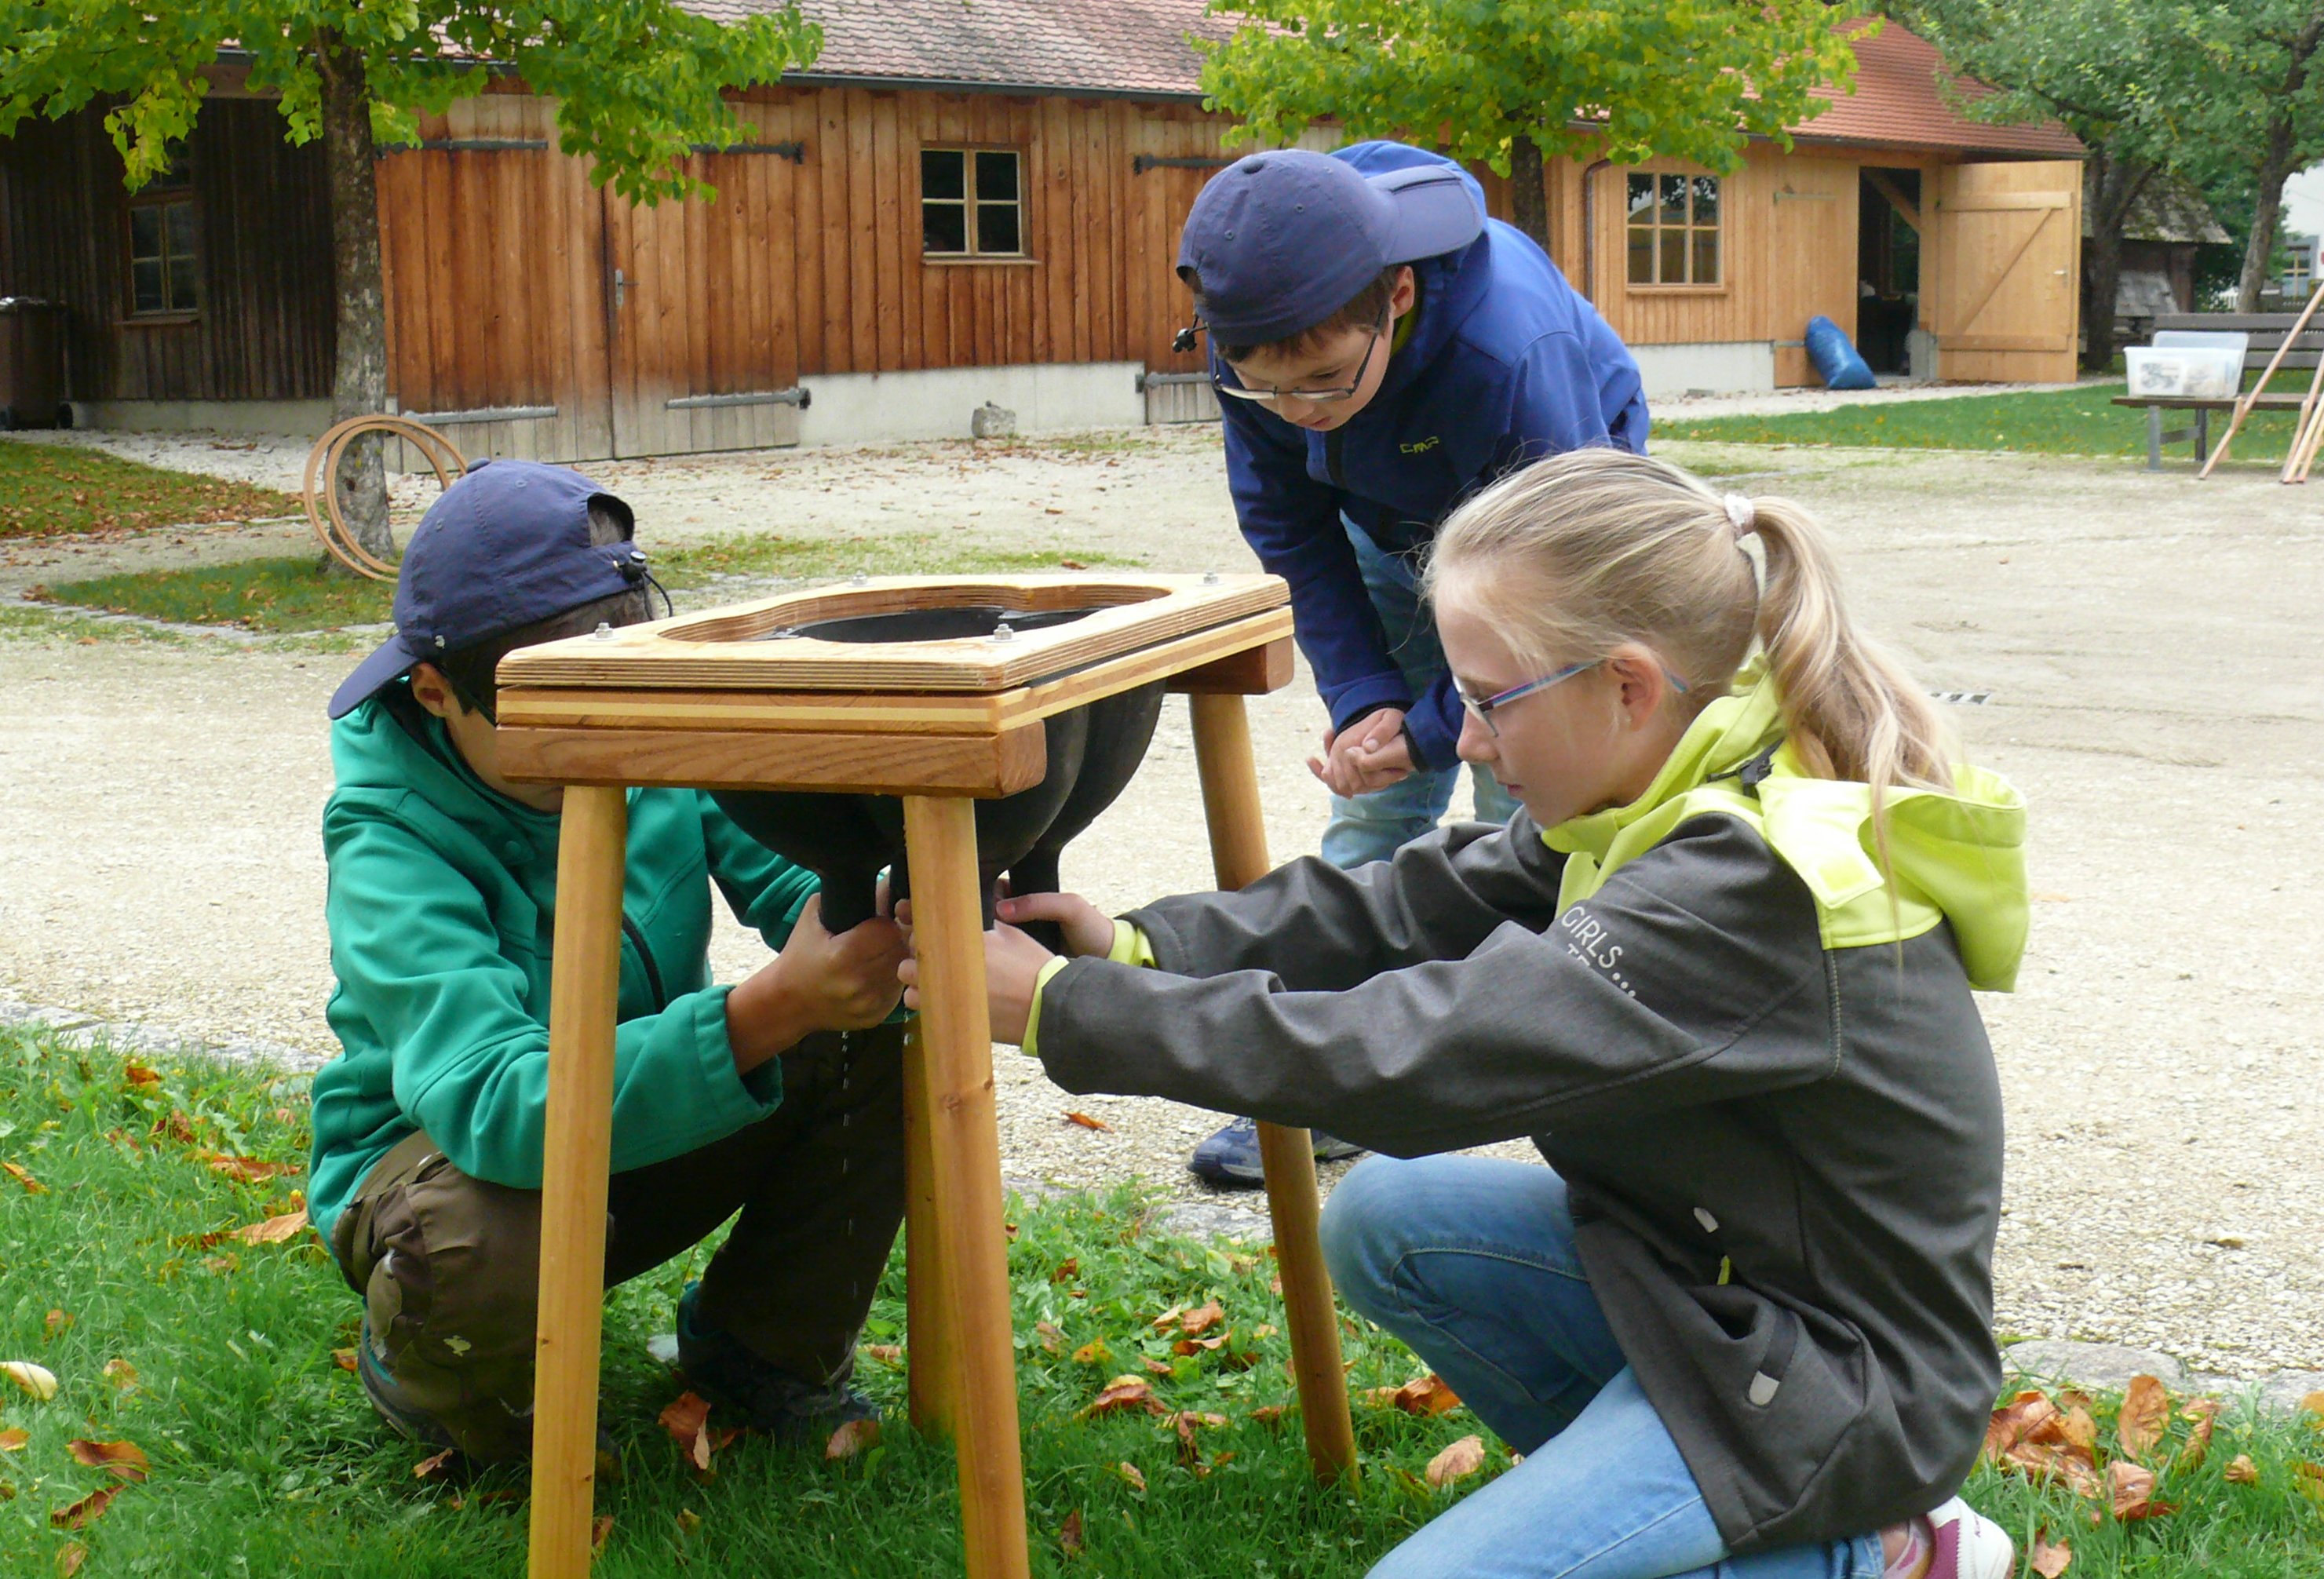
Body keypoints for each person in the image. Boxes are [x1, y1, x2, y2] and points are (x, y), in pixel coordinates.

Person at [918, 449, 2027, 1579]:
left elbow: (1416, 1058)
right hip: (1704, 1294)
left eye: (1491, 702)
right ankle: (1708, 1522)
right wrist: (1140, 947)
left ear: (1627, 685)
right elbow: (1417, 902)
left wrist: (1072, 1011)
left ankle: (1881, 1550)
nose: (1471, 743)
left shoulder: (1749, 891)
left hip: (1836, 1383)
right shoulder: (1681, 763)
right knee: (1391, 1220)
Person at [311, 461, 911, 1463]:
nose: (602, 739)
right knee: (470, 1250)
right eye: (550, 710)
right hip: (450, 1169)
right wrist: (769, 1009)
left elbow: (800, 881)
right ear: (434, 689)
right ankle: (431, 1372)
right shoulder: (387, 836)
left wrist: (882, 909)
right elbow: (500, 1105)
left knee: (875, 1020)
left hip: (624, 1113)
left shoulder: (641, 717)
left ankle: (758, 1346)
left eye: (613, 687)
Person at [1171, 140, 1649, 1186]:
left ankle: (1564, 1081)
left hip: (1550, 525)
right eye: (1267, 391)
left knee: (1532, 810)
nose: (1299, 412)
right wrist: (1364, 705)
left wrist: (1450, 719)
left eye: (1327, 382)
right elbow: (1291, 528)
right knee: (1377, 812)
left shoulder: (1504, 353)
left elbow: (1559, 579)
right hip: (1391, 531)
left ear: (1396, 297)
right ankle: (1316, 1081)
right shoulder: (1257, 347)